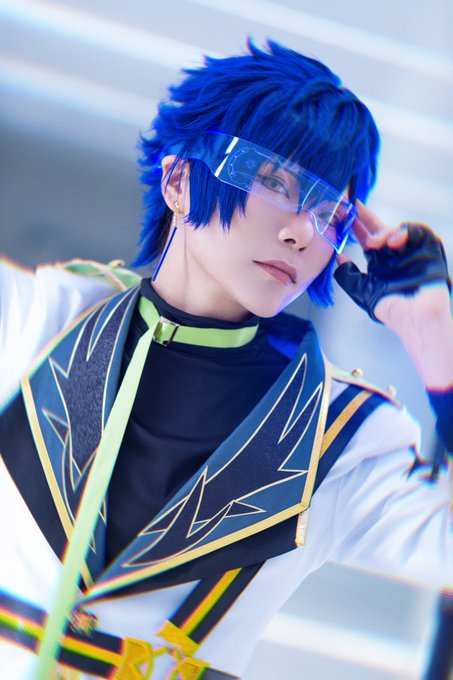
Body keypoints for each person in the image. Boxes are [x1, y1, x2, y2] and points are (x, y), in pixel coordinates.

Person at [0, 39, 452, 680]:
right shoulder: (39, 320)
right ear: (179, 181)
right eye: (275, 182)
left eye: (329, 212)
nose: (302, 231)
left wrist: (436, 341)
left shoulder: (341, 437)